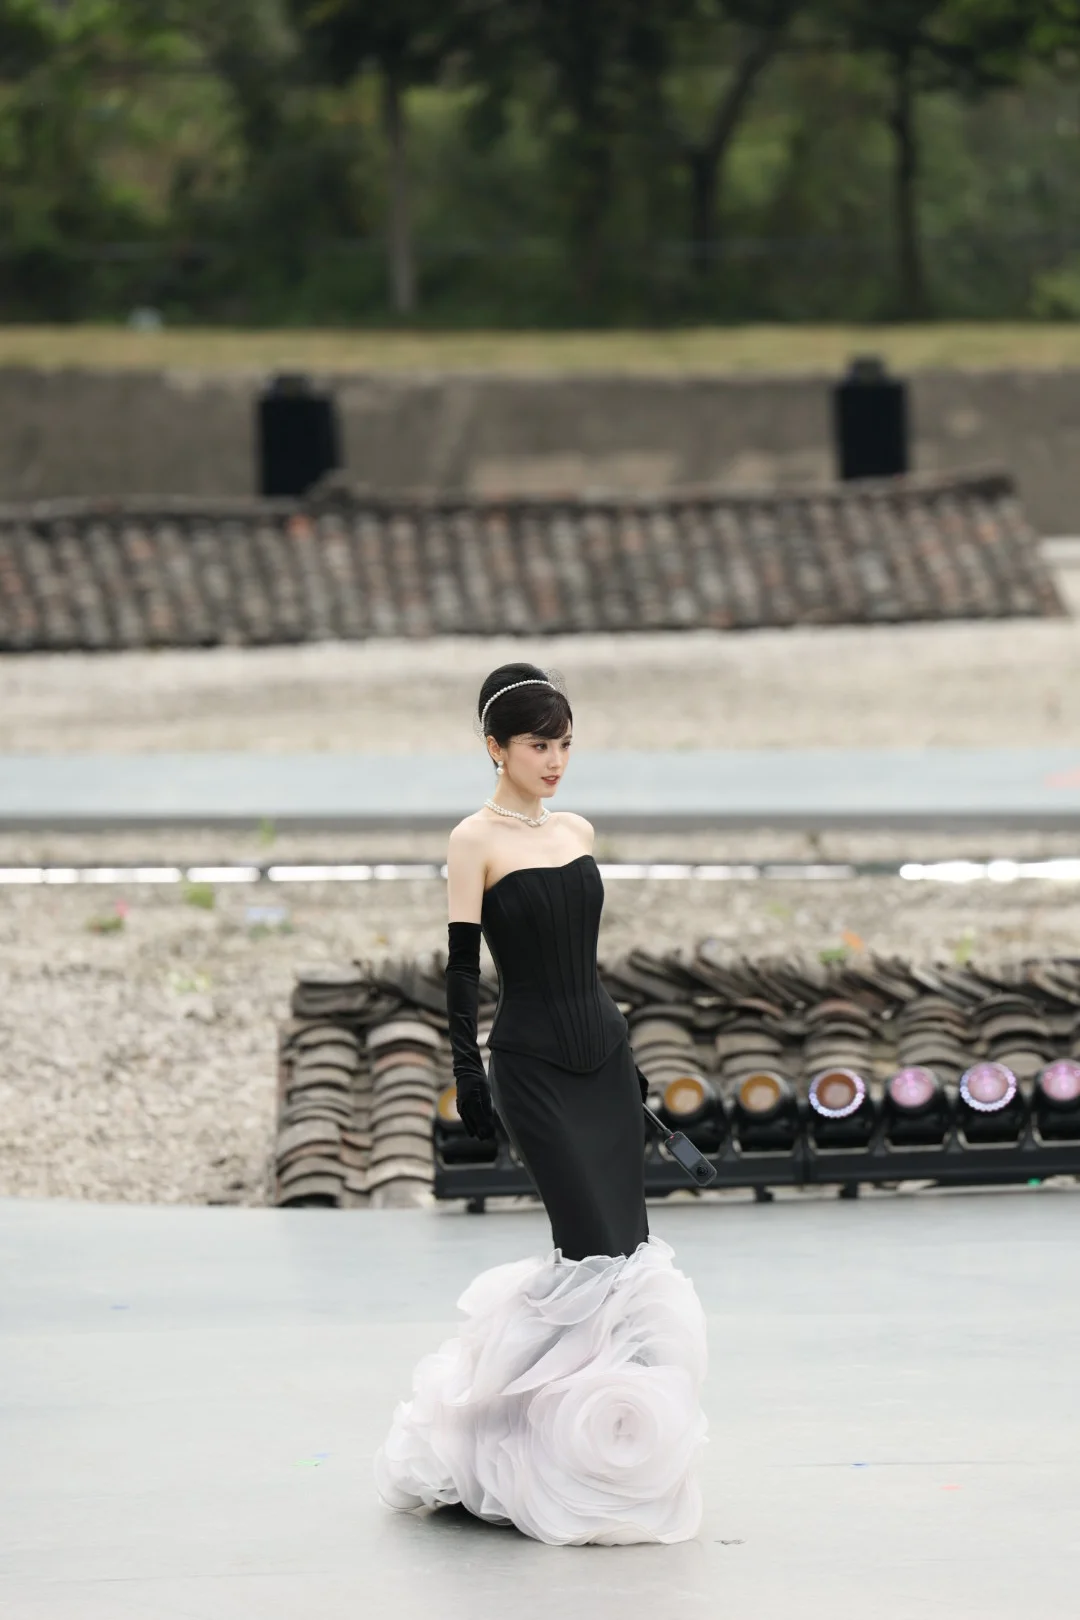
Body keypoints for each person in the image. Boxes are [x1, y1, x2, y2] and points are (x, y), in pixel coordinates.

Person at [373, 662, 708, 1546]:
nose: (555, 761)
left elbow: (584, 964)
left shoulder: (577, 829)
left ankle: (611, 1461)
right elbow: (460, 974)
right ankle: (518, 1454)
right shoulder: (472, 841)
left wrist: (631, 1074)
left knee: (627, 1254)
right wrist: (467, 1076)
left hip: (604, 1055)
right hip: (528, 1066)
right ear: (495, 748)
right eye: (537, 745)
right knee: (586, 1250)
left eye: (564, 744)